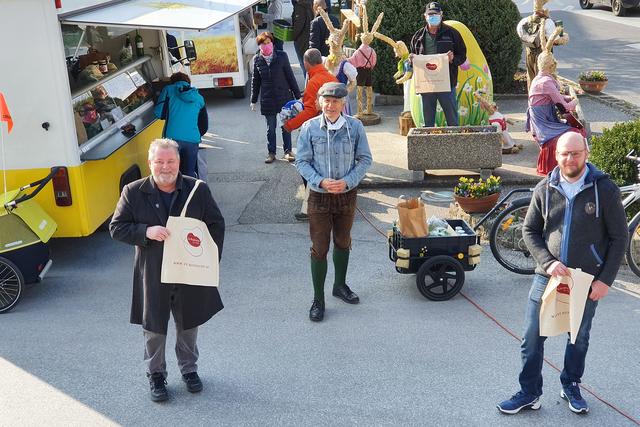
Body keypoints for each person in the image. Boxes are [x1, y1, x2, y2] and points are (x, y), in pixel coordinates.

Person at [497, 131, 628, 415]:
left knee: (578, 338)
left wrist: (604, 280)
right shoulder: (545, 187)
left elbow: (620, 238)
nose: (570, 158)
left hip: (586, 280)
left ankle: (570, 384)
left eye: (576, 153)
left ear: (586, 154)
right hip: (548, 277)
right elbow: (529, 230)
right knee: (532, 337)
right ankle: (529, 392)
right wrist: (547, 261)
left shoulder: (603, 189)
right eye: (565, 154)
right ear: (557, 156)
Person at [109, 138, 225, 402]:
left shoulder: (197, 189)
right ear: (150, 163)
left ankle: (189, 370)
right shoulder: (133, 191)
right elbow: (117, 228)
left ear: (179, 162)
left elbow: (216, 224)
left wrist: (207, 260)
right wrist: (145, 231)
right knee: (154, 328)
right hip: (152, 272)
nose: (165, 166)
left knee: (189, 324)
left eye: (170, 161)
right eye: (159, 161)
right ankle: (156, 375)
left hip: (189, 271)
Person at [294, 82, 372, 322]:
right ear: (320, 102)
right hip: (319, 196)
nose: (330, 105)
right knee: (319, 248)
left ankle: (340, 286)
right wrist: (321, 181)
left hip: (347, 195)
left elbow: (365, 159)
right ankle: (319, 299)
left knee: (343, 240)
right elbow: (302, 161)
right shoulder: (308, 128)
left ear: (343, 103)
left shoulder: (355, 127)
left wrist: (348, 181)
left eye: (335, 101)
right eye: (326, 101)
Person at [283, 48, 338, 221]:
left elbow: (309, 111)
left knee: (306, 167)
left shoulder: (314, 82)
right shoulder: (331, 78)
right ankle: (322, 206)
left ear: (306, 63)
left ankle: (313, 207)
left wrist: (289, 125)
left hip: (317, 132)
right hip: (335, 129)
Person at [526, 27, 583, 176]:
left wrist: (567, 98)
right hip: (544, 124)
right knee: (576, 131)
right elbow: (562, 107)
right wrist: (575, 101)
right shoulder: (546, 82)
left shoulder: (539, 79)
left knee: (573, 129)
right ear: (551, 66)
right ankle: (571, 167)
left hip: (543, 118)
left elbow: (554, 97)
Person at [409, 1, 466, 127]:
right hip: (426, 84)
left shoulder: (452, 34)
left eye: (436, 14)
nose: (433, 17)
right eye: (430, 14)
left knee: (452, 119)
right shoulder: (418, 36)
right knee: (428, 121)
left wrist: (453, 59)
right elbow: (413, 59)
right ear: (425, 16)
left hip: (446, 83)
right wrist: (411, 60)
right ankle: (429, 143)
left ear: (441, 15)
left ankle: (454, 142)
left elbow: (462, 56)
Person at [250, 32, 301, 164]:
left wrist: (298, 96)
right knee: (270, 129)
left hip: (283, 97)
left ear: (272, 43)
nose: (266, 45)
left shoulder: (282, 56)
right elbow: (255, 81)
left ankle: (288, 151)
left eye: (268, 42)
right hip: (267, 99)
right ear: (259, 45)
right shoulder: (257, 59)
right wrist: (253, 100)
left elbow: (290, 76)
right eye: (263, 43)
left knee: (285, 126)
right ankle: (271, 153)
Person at [154, 72, 208, 178]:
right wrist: (195, 134)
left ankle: (173, 194)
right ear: (188, 82)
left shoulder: (168, 90)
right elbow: (204, 123)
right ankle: (189, 193)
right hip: (192, 140)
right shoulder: (198, 97)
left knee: (171, 173)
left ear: (173, 81)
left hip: (172, 139)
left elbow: (159, 113)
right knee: (189, 174)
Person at [516, 0, 568, 90]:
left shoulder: (523, 21)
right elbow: (556, 41)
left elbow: (521, 36)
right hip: (544, 57)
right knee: (544, 80)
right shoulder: (547, 22)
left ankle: (532, 101)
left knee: (531, 80)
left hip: (529, 54)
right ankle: (543, 102)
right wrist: (565, 37)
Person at [292, 0, 314, 78]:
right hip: (309, 37)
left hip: (301, 40)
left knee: (304, 65)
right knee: (310, 66)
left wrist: (292, 36)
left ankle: (308, 87)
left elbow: (298, 26)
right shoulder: (310, 3)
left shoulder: (300, 7)